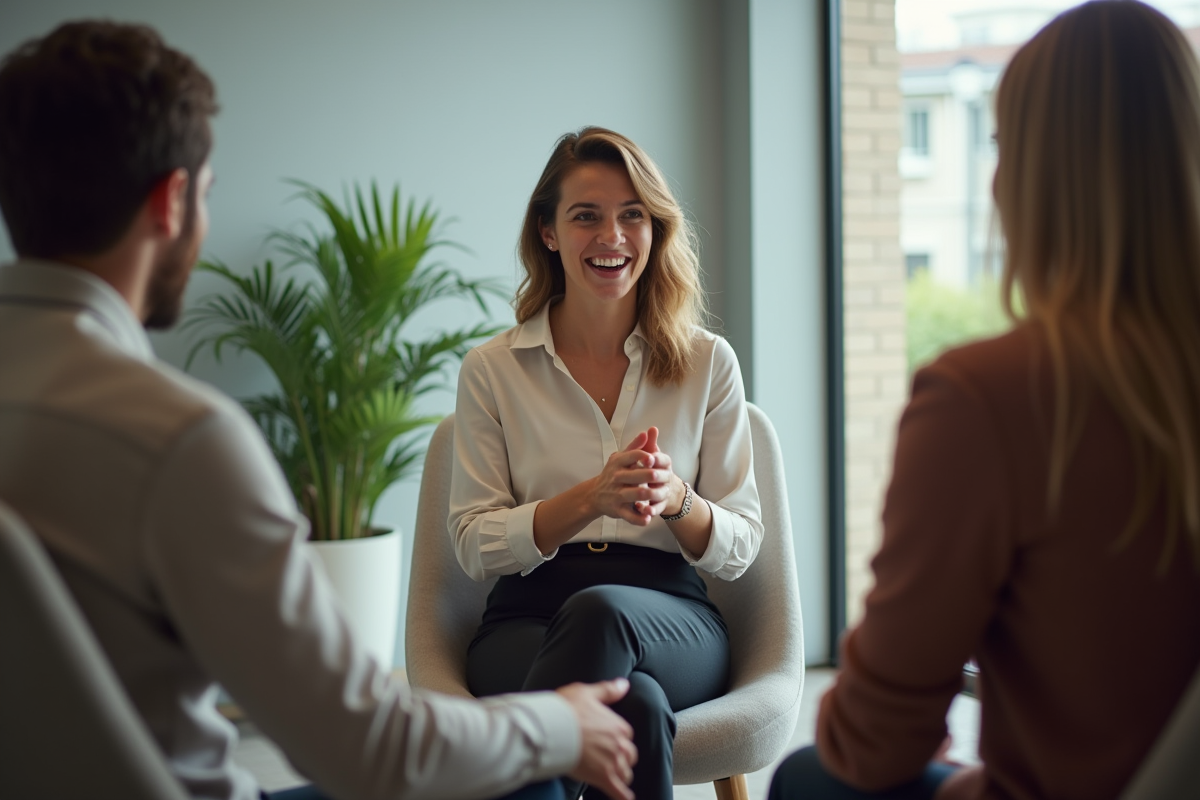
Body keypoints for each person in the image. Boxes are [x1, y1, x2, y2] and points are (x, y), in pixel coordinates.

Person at [0, 20, 638, 800]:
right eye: (205, 196)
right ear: (171, 202)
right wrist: (559, 728)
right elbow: (371, 751)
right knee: (518, 776)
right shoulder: (179, 441)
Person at [769, 1, 1200, 798]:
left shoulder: (989, 397)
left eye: (1002, 143)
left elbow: (874, 741)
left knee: (806, 777)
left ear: (1033, 176)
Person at [448, 126, 764, 800]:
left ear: (655, 230)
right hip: (525, 619)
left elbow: (739, 547)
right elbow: (474, 546)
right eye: (586, 215)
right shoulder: (492, 370)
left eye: (632, 215)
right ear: (550, 232)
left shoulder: (709, 362)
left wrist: (679, 499)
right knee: (639, 709)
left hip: (671, 618)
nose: (612, 236)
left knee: (602, 612)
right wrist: (589, 499)